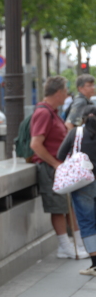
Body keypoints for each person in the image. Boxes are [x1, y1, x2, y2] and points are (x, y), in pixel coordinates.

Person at [30, 76, 88, 259]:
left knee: (67, 206)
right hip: (51, 168)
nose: (67, 96)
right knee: (58, 208)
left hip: (58, 167)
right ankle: (65, 246)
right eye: (65, 92)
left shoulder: (51, 112)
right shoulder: (43, 113)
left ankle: (77, 244)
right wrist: (56, 164)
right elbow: (36, 144)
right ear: (58, 92)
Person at [58, 105, 96, 276]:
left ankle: (95, 264)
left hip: (83, 184)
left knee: (87, 222)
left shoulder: (76, 133)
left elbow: (60, 155)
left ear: (83, 118)